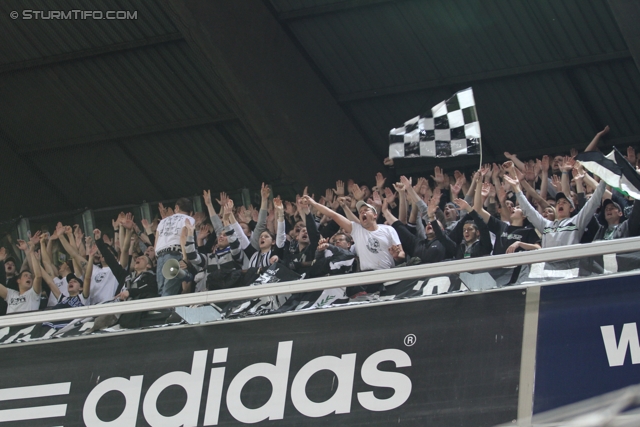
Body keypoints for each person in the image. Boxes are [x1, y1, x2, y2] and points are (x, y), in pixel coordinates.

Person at [303, 195, 405, 271]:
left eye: (366, 210)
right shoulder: (356, 229)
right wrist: (313, 203)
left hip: (389, 273)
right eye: (360, 212)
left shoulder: (388, 229)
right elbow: (333, 215)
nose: (362, 213)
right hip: (367, 277)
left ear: (375, 215)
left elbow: (401, 253)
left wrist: (397, 256)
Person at [155, 198, 195, 296]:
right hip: (174, 254)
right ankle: (166, 311)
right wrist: (185, 258)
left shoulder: (163, 221)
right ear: (191, 212)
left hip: (160, 256)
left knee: (161, 291)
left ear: (177, 207)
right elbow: (183, 236)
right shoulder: (189, 219)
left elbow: (156, 242)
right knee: (169, 291)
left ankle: (163, 311)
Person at [0, 248, 42, 314]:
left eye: (30, 277)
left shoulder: (33, 294)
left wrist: (31, 252)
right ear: (18, 280)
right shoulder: (11, 294)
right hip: (10, 323)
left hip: (29, 324)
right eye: (25, 276)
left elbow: (38, 276)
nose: (29, 277)